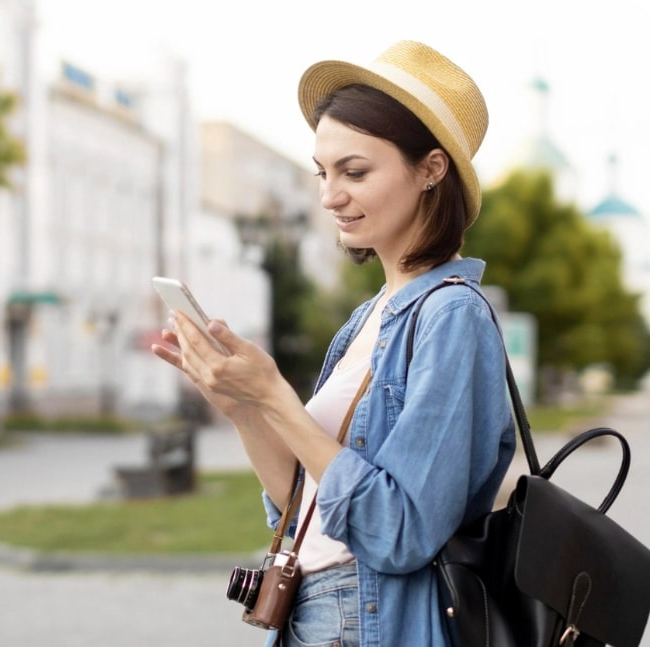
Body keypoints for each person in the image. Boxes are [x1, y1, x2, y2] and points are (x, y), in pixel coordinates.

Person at [151, 40, 516, 647]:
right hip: (315, 620)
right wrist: (245, 408)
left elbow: (399, 532)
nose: (329, 196)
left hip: (377, 623)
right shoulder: (366, 319)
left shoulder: (452, 316)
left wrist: (277, 399)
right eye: (324, 173)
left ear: (431, 169)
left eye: (355, 171)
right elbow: (303, 511)